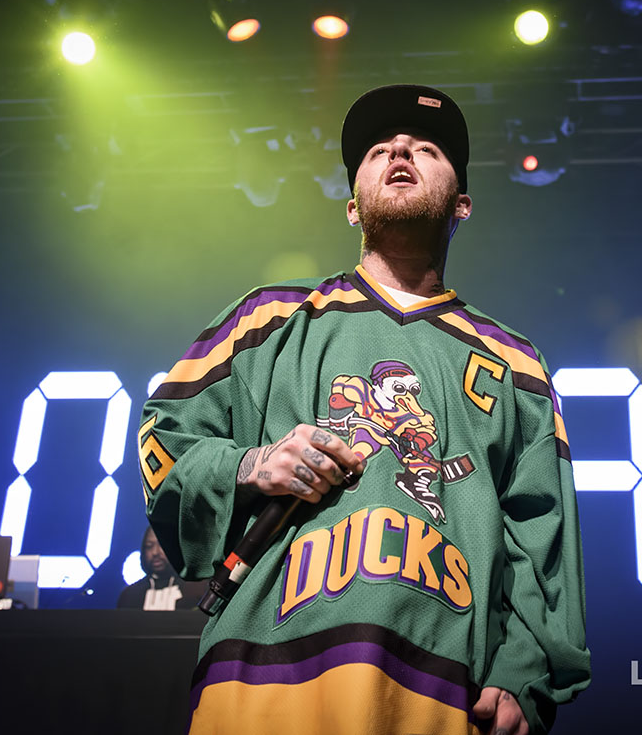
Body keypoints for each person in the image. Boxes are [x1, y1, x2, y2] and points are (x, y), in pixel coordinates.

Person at [138, 84, 590, 734]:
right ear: (352, 206)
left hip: (443, 695)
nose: (401, 148)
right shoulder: (265, 319)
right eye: (379, 149)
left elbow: (541, 542)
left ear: (462, 202)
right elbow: (164, 440)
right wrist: (253, 463)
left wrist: (523, 675)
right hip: (259, 680)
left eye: (426, 148)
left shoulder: (516, 365)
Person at [116, 525, 209, 610]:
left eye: (161, 544)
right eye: (149, 546)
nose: (155, 552)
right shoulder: (129, 595)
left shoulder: (198, 589)